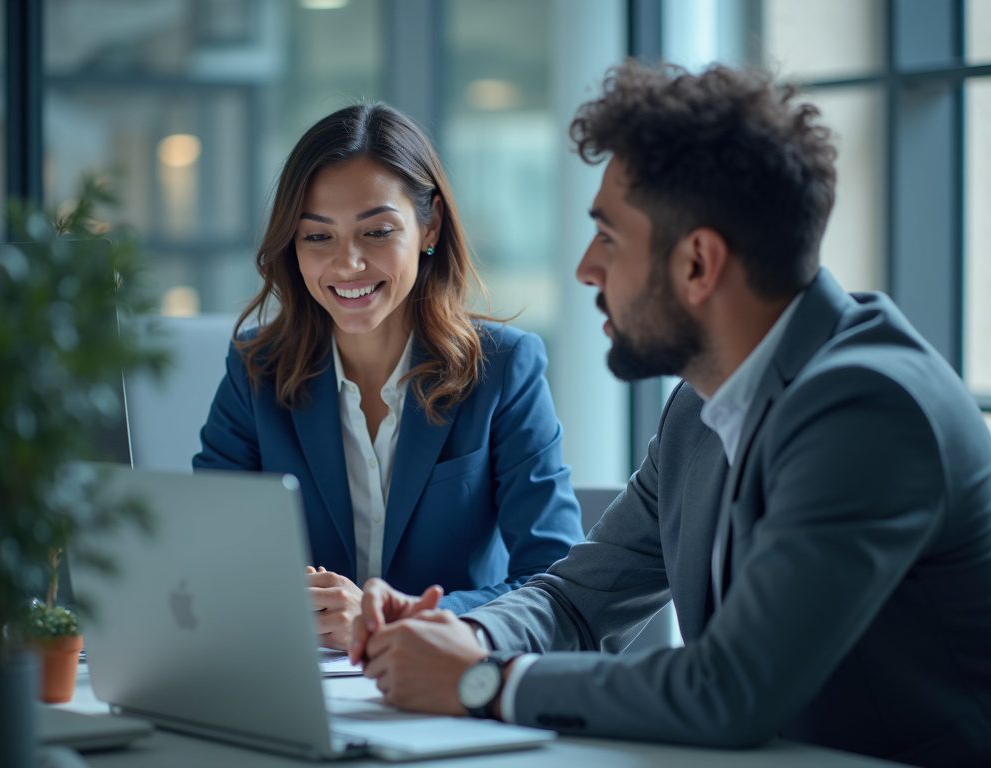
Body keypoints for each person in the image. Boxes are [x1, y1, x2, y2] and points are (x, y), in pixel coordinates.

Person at [347, 61, 991, 768]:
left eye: (610, 238)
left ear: (697, 264)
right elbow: (574, 600)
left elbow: (731, 688)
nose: (587, 269)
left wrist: (478, 681)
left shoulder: (868, 409)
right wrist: (465, 636)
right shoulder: (703, 405)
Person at [194, 104, 583, 651]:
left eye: (376, 232)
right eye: (318, 238)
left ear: (430, 226)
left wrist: (392, 619)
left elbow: (555, 586)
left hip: (450, 686)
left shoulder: (504, 368)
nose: (348, 263)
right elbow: (205, 558)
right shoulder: (256, 370)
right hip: (300, 684)